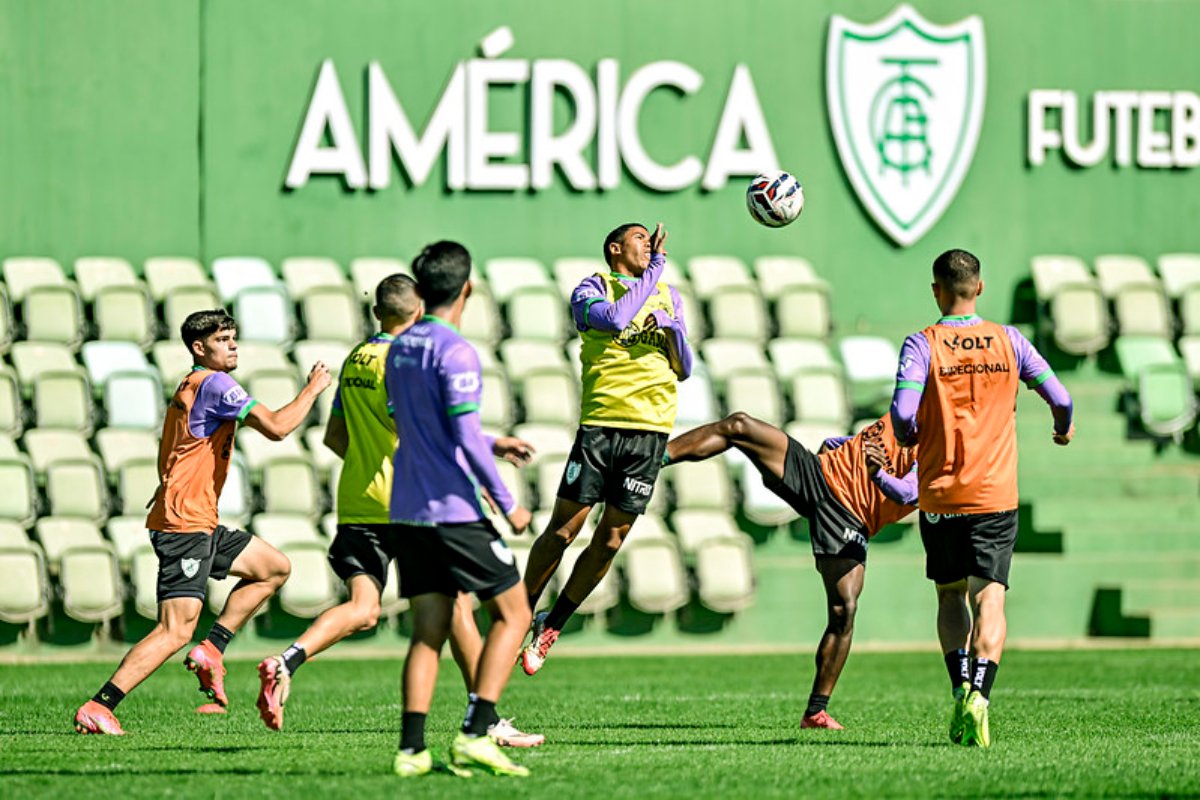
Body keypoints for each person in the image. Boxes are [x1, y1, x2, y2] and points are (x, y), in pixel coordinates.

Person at [255, 274, 543, 748]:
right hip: (408, 503)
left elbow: (334, 437)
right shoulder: (404, 359)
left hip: (355, 502)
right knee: (459, 614)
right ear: (418, 311)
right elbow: (422, 428)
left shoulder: (355, 360)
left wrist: (371, 463)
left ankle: (287, 660)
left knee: (364, 609)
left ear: (376, 313)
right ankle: (487, 724)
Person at [73, 310, 331, 735]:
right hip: (184, 524)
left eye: (234, 338)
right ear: (199, 348)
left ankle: (212, 649)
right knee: (175, 630)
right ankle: (100, 706)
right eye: (223, 339)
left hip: (198, 520)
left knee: (273, 568)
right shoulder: (215, 384)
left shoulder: (193, 384)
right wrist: (313, 389)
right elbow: (278, 428)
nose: (232, 346)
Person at [890, 248, 1074, 748]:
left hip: (940, 493)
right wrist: (1062, 429)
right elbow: (1061, 397)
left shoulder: (921, 343)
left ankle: (958, 687)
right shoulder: (1008, 340)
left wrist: (910, 438)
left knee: (950, 595)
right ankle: (981, 696)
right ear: (980, 288)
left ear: (936, 290)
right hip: (995, 493)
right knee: (989, 595)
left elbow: (904, 413)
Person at [664, 412, 917, 728]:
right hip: (818, 473)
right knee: (738, 425)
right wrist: (837, 446)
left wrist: (876, 473)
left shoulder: (943, 447)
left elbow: (910, 493)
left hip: (850, 516)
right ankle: (651, 463)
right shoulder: (904, 410)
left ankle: (816, 713)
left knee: (844, 610)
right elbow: (851, 441)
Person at [386, 241, 534, 778]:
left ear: (420, 292)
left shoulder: (399, 348)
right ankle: (476, 732)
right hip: (451, 509)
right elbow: (466, 438)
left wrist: (491, 443)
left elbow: (419, 424)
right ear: (467, 288)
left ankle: (411, 750)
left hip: (405, 508)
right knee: (514, 613)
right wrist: (509, 504)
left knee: (428, 630)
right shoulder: (456, 350)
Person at [519, 222, 692, 675]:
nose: (650, 245)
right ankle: (517, 611)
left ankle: (551, 624)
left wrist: (674, 331)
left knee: (611, 539)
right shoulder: (591, 288)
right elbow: (614, 320)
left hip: (650, 430)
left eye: (650, 241)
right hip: (601, 424)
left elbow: (685, 368)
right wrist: (653, 271)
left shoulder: (668, 295)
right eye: (639, 238)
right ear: (615, 249)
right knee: (562, 531)